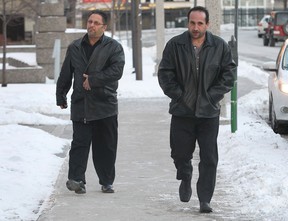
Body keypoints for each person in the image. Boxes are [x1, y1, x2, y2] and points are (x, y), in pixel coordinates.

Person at [158, 6, 236, 213]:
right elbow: (165, 74)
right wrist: (180, 96)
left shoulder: (219, 46)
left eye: (200, 23)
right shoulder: (175, 45)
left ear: (207, 24)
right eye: (192, 23)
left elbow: (229, 75)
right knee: (180, 153)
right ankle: (185, 175)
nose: (195, 27)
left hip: (208, 112)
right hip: (182, 111)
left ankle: (205, 199)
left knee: (209, 157)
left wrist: (211, 96)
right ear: (188, 23)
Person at [56, 10, 125, 194]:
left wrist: (93, 79)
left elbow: (116, 71)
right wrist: (61, 95)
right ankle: (77, 179)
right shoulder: (75, 47)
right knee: (79, 143)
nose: (91, 25)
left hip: (105, 103)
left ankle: (107, 181)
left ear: (104, 27)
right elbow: (66, 73)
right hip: (81, 103)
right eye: (89, 21)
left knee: (106, 146)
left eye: (96, 23)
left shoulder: (113, 47)